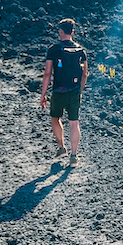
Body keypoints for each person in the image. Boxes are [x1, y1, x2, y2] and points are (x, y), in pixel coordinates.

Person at [40, 18, 88, 166]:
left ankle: (62, 147)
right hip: (74, 91)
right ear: (72, 32)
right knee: (74, 123)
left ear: (61, 31)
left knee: (55, 117)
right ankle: (74, 155)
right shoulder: (81, 50)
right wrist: (79, 90)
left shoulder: (53, 49)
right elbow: (85, 73)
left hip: (58, 91)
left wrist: (43, 94)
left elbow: (47, 73)